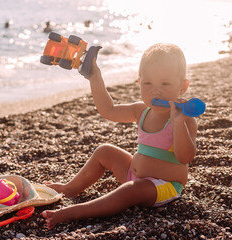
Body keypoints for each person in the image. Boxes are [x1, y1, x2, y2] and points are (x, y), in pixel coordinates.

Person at [42, 43, 198, 229]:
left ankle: (75, 212)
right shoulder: (141, 110)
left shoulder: (184, 119)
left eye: (165, 84)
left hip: (163, 186)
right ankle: (70, 188)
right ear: (140, 82)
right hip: (133, 174)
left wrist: (178, 123)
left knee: (129, 191)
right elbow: (109, 110)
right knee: (104, 151)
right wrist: (95, 78)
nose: (156, 90)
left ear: (183, 87)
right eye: (148, 83)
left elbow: (185, 157)